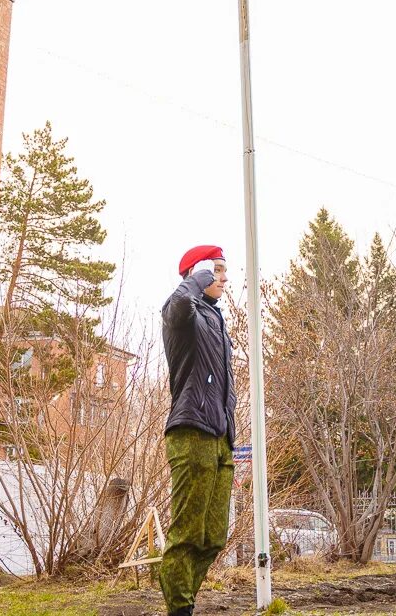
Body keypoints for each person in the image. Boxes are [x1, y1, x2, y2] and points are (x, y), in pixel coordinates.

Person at [159, 245, 237, 616]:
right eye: (216, 270)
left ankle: (183, 602)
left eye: (224, 271)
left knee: (213, 537)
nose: (224, 278)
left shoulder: (216, 320)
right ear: (198, 273)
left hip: (220, 438)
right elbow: (177, 306)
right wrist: (195, 278)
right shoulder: (182, 314)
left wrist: (231, 437)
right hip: (191, 431)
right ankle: (180, 609)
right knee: (187, 533)